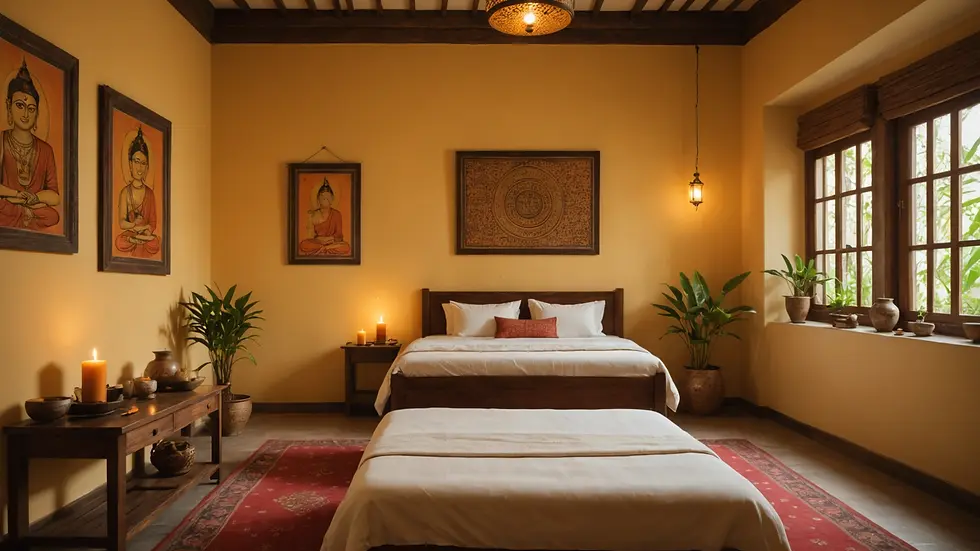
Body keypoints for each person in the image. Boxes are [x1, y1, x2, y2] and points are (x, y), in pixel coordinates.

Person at [0, 60, 60, 231]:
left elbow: (55, 197)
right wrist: (17, 195)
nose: (25, 114)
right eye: (20, 105)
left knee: (53, 215)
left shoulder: (46, 149)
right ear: (8, 106)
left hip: (34, 207)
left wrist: (34, 197)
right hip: (7, 205)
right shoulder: (2, 140)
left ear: (37, 113)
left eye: (31, 108)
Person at [114, 126, 160, 257]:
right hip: (131, 233)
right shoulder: (125, 192)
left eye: (144, 163)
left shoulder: (150, 193)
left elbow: (153, 222)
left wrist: (146, 230)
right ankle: (134, 240)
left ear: (147, 167)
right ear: (130, 164)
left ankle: (138, 240)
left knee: (156, 243)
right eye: (137, 162)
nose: (139, 168)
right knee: (119, 241)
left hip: (145, 235)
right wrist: (134, 226)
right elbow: (122, 222)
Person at [299, 179, 351, 256]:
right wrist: (319, 240)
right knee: (303, 244)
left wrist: (330, 239)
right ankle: (325, 248)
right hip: (318, 243)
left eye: (328, 196)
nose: (325, 198)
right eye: (322, 196)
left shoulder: (336, 214)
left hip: (332, 243)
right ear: (318, 199)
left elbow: (339, 236)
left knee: (346, 247)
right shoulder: (313, 215)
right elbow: (310, 236)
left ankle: (325, 249)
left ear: (332, 199)